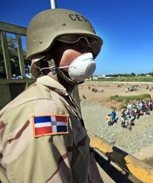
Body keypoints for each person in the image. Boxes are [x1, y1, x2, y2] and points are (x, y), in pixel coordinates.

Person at [0, 8, 103, 183]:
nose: (87, 55)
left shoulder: (57, 99)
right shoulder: (43, 111)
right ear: (46, 55)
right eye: (77, 44)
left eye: (88, 47)